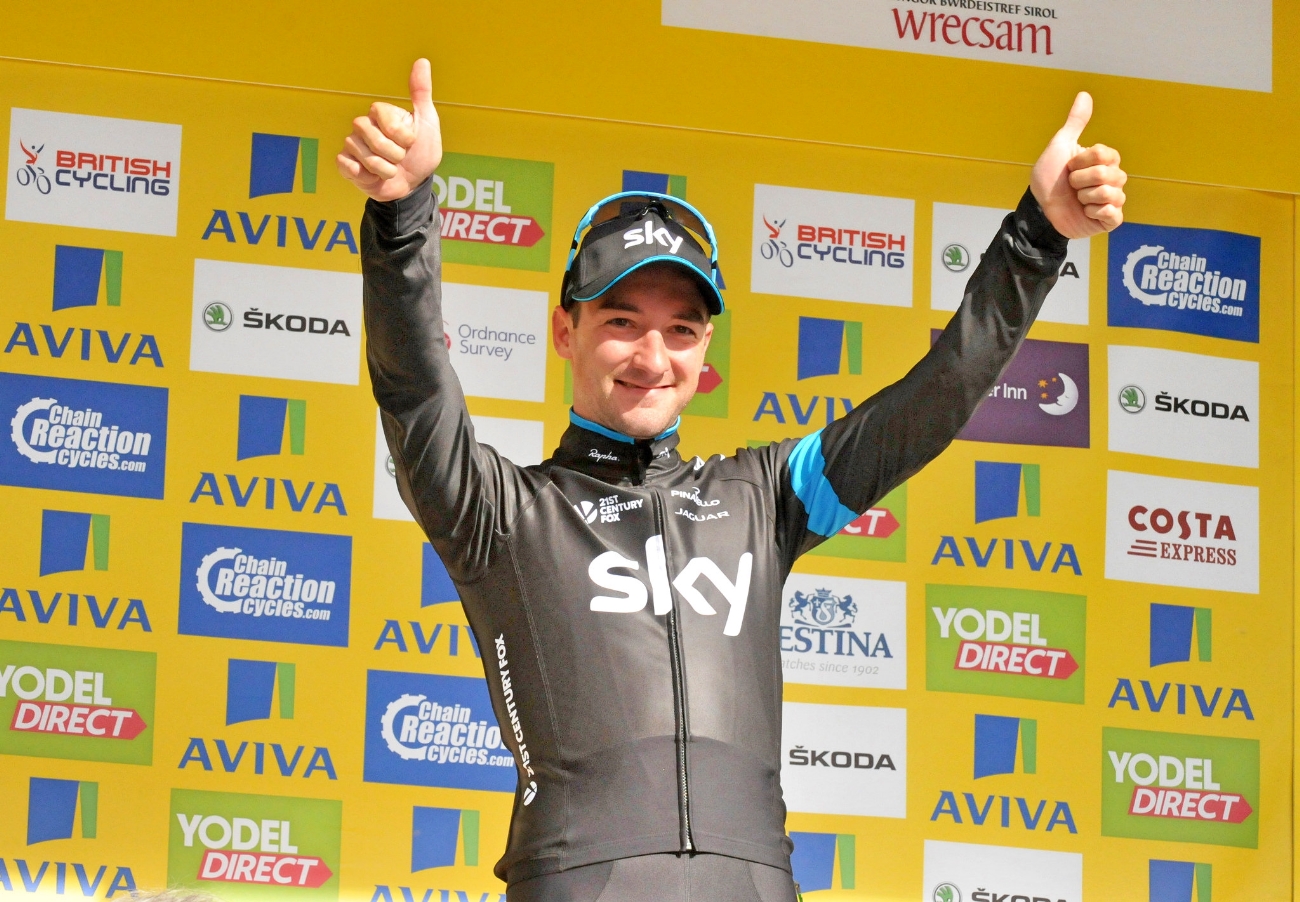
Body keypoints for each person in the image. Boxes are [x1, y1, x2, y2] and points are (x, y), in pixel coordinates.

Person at [338, 59, 1126, 902]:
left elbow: (936, 396)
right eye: (621, 323)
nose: (653, 357)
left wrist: (1036, 239)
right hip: (578, 879)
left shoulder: (765, 497)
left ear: (705, 350)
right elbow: (413, 382)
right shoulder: (500, 512)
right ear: (564, 331)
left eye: (682, 329)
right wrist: (400, 215)